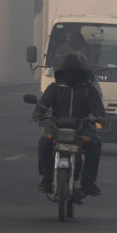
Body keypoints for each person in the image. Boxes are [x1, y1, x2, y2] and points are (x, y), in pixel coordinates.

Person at [33, 53, 106, 196]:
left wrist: (100, 117)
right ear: (62, 73)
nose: (71, 76)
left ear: (81, 73)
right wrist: (38, 112)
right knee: (44, 143)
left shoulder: (88, 89)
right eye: (68, 72)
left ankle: (88, 182)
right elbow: (44, 103)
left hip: (81, 127)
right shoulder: (54, 88)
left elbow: (97, 106)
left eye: (75, 73)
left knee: (95, 143)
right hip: (56, 126)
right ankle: (47, 179)